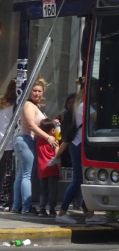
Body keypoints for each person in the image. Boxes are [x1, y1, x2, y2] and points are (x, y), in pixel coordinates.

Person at [55, 87, 105, 225]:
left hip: (78, 145)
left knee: (83, 180)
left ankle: (89, 215)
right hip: (79, 145)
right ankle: (62, 212)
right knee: (78, 180)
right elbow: (99, 119)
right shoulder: (84, 106)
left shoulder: (79, 106)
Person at [14, 79, 57, 214]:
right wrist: (48, 137)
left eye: (40, 91)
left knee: (22, 175)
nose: (37, 93)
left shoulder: (34, 106)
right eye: (34, 91)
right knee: (26, 175)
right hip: (25, 139)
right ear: (29, 91)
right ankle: (26, 207)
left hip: (26, 140)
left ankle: (17, 206)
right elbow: (31, 125)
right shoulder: (28, 105)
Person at [35, 118, 59, 217]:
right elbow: (57, 157)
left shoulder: (38, 140)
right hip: (52, 169)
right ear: (52, 130)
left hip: (41, 169)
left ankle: (42, 209)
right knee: (53, 191)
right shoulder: (54, 141)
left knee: (43, 191)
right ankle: (52, 210)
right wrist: (60, 170)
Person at [0, 79, 17, 210]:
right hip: (9, 143)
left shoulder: (2, 103)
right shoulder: (16, 105)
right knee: (7, 172)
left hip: (1, 141)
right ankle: (4, 200)